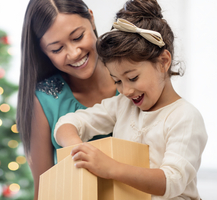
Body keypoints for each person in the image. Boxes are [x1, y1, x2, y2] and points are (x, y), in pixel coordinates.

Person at [54, 0, 208, 199]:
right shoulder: (122, 106)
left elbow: (171, 182)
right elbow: (67, 124)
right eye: (117, 80)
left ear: (163, 61)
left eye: (133, 78)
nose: (125, 90)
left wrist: (111, 168)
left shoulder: (184, 117)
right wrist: (78, 149)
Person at [16, 0, 118, 199]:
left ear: (91, 17)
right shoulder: (44, 100)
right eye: (56, 49)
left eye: (78, 37)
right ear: (43, 52)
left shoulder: (133, 77)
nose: (73, 53)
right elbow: (44, 191)